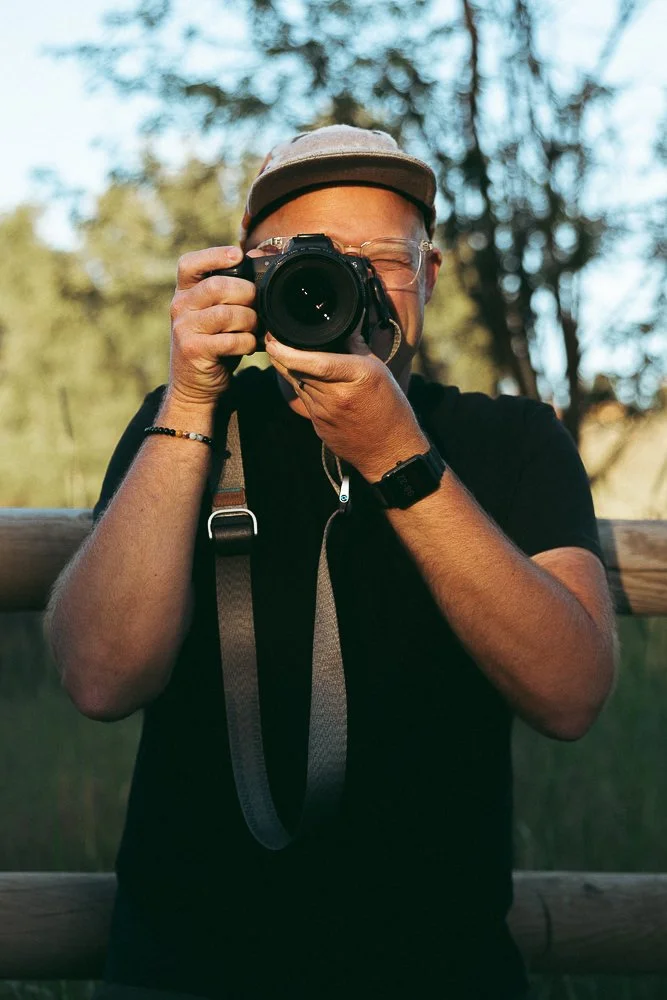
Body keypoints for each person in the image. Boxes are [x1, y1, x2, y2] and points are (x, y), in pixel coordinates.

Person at [45, 125, 618, 1000]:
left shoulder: (509, 441)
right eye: (305, 257)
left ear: (425, 278)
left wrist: (399, 460)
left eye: (381, 257)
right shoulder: (186, 424)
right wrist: (192, 397)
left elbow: (571, 692)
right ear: (245, 276)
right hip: (188, 965)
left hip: (435, 968)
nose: (346, 280)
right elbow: (98, 676)